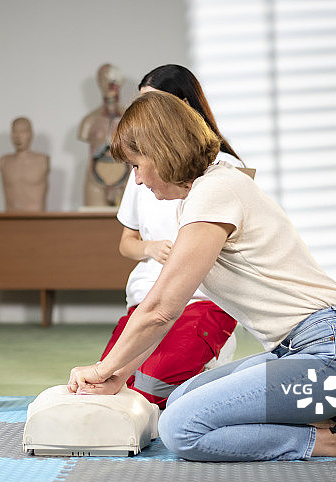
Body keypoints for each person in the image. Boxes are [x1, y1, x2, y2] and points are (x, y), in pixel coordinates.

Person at [68, 91, 336, 463]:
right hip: (307, 349)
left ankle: (331, 441)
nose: (136, 180)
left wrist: (103, 369)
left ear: (161, 151)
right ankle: (326, 418)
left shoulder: (216, 190)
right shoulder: (205, 194)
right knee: (181, 398)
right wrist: (119, 374)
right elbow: (166, 310)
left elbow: (160, 309)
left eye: (137, 165)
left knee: (180, 429)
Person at [100, 65, 240, 409]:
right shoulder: (143, 170)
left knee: (147, 395)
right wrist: (149, 248)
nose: (137, 179)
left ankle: (206, 362)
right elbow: (129, 244)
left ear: (182, 108)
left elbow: (168, 306)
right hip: (149, 300)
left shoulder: (221, 175)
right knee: (108, 393)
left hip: (196, 301)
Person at [78, 63, 130, 207]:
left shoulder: (131, 119)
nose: (108, 84)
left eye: (112, 78)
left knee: (130, 220)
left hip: (125, 177)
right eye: (103, 79)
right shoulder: (89, 121)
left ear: (121, 81)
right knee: (94, 219)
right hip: (96, 178)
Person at [0, 117, 49, 212]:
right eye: (14, 131)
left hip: (36, 216)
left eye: (23, 131)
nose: (18, 136)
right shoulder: (4, 161)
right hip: (10, 217)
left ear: (31, 134)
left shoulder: (42, 160)